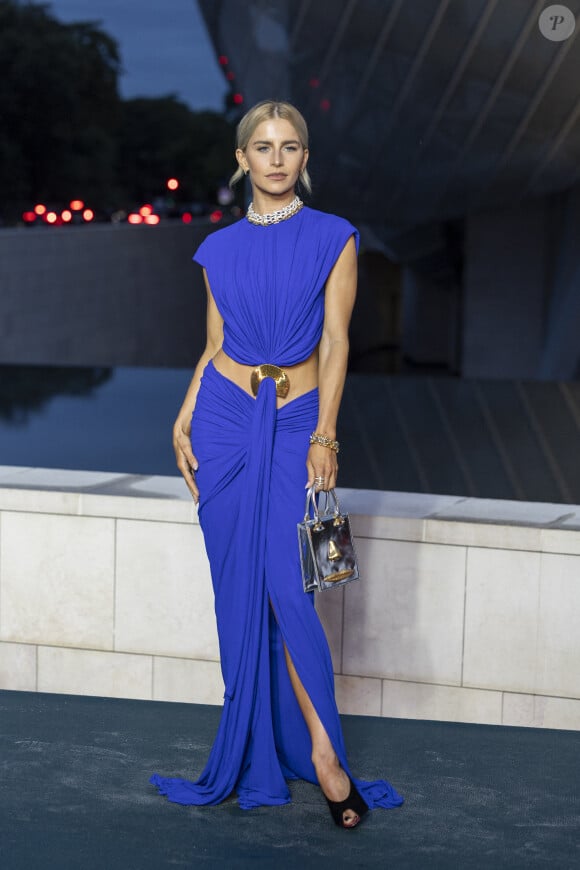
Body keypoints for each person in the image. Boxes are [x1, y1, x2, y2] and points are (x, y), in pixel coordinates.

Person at [150, 100, 403, 828]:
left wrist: (326, 433)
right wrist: (184, 409)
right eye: (262, 146)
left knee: (298, 589)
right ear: (242, 158)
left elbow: (337, 342)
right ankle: (257, 747)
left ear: (304, 158)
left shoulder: (335, 236)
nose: (276, 159)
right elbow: (213, 344)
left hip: (298, 422)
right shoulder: (216, 251)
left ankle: (326, 756)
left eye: (290, 146)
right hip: (225, 422)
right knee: (239, 591)